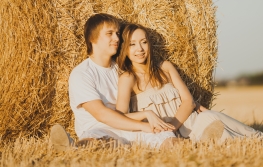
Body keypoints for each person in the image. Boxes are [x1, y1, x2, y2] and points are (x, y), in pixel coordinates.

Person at [116, 23, 263, 143]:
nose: (140, 49)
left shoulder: (165, 67)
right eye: (132, 44)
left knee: (209, 117)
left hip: (190, 125)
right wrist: (147, 114)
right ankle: (251, 141)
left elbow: (189, 101)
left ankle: (258, 138)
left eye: (144, 42)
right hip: (164, 137)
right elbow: (120, 116)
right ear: (125, 49)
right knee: (216, 130)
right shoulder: (128, 79)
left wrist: (173, 126)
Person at [50, 14, 177, 151]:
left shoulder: (122, 68)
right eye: (109, 33)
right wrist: (144, 122)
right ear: (92, 38)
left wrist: (191, 101)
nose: (117, 38)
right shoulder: (82, 74)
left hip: (130, 126)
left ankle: (198, 147)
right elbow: (102, 114)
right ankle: (72, 148)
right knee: (99, 141)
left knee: (166, 136)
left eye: (117, 33)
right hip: (100, 129)